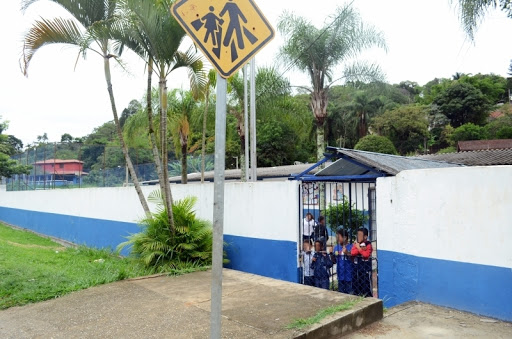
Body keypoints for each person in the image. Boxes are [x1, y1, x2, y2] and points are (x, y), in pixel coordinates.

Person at [351, 227, 373, 297]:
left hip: (365, 269)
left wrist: (359, 248)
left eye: (360, 235)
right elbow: (352, 252)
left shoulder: (368, 244)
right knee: (357, 287)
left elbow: (366, 255)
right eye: (358, 235)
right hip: (357, 269)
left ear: (365, 236)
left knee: (366, 287)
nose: (358, 237)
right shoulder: (356, 244)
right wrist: (360, 248)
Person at [333, 229, 353, 294]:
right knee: (340, 293)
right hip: (340, 274)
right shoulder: (336, 247)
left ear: (345, 238)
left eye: (338, 237)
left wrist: (347, 253)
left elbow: (354, 259)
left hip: (349, 274)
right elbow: (334, 261)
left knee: (349, 292)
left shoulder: (351, 247)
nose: (337, 239)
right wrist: (331, 254)